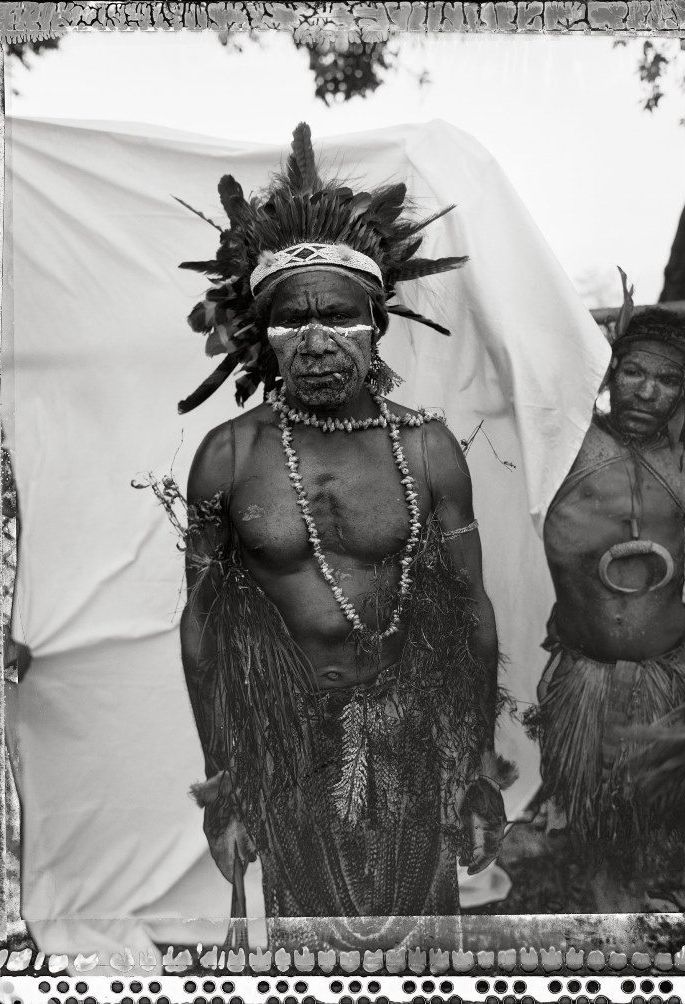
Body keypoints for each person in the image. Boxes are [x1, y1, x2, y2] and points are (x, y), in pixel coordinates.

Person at [173, 124, 514, 944]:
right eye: (293, 323)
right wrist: (225, 783)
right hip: (287, 741)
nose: (318, 343)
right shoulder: (227, 456)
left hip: (411, 737)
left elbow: (471, 611)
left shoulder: (426, 451)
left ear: (375, 325)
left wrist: (473, 766)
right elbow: (204, 629)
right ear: (263, 335)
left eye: (339, 317)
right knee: (306, 955)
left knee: (421, 950)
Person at [528, 293, 685, 910]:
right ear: (608, 371)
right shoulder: (561, 449)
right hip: (585, 677)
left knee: (673, 813)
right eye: (633, 372)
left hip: (672, 677)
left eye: (667, 379)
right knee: (598, 818)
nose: (647, 391)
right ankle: (614, 913)